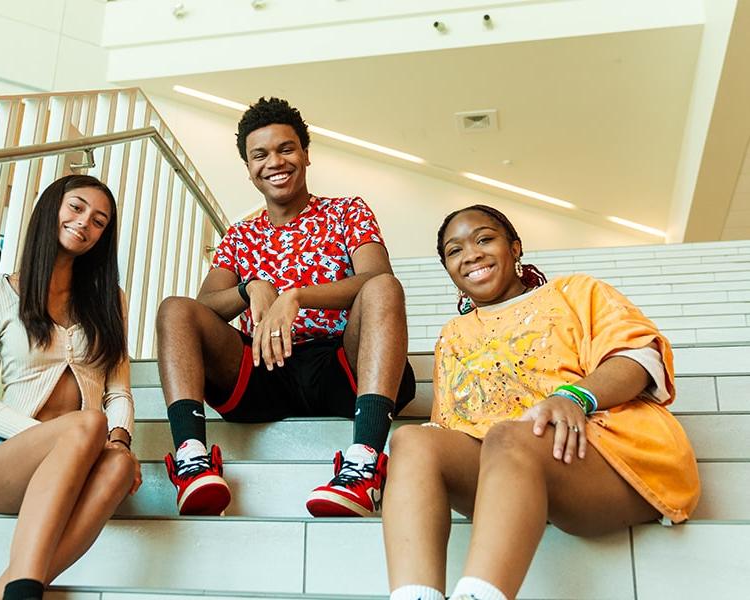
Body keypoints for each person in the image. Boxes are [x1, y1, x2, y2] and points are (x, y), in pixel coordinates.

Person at [382, 204, 700, 600]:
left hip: (601, 456)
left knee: (508, 436)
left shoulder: (577, 292)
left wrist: (575, 396)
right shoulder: (454, 334)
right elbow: (448, 428)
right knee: (412, 441)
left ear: (515, 248)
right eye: (455, 251)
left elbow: (638, 358)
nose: (472, 255)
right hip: (505, 475)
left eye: (485, 239)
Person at [155, 97, 416, 518]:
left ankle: (364, 465)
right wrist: (250, 288)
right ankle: (192, 461)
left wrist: (296, 295)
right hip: (263, 372)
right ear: (248, 167)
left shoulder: (347, 211)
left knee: (385, 287)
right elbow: (201, 309)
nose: (274, 161)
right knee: (174, 309)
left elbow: (373, 278)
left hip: (341, 368)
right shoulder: (240, 236)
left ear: (306, 154)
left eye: (286, 148)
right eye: (260, 154)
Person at [0, 174, 141, 600]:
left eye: (99, 221)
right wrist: (54, 437)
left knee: (118, 464)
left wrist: (118, 440)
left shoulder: (111, 300)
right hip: (3, 461)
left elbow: (118, 391)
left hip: (87, 454)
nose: (85, 223)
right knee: (87, 424)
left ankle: (12, 590)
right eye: (76, 208)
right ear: (52, 210)